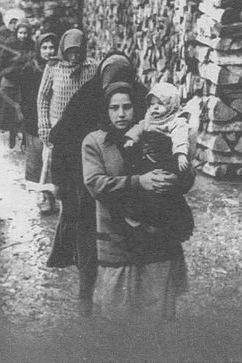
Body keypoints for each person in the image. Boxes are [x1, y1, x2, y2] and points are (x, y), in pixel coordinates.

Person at [82, 80, 194, 324]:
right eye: (114, 108)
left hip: (159, 240)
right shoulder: (95, 142)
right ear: (105, 109)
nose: (121, 114)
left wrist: (173, 179)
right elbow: (95, 184)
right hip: (118, 241)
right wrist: (138, 182)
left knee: (156, 317)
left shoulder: (156, 132)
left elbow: (186, 176)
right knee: (118, 320)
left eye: (127, 107)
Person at [46, 52, 144, 317]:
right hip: (86, 182)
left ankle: (126, 300)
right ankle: (86, 295)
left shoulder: (138, 97)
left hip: (124, 181)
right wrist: (59, 181)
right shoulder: (86, 98)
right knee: (89, 239)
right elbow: (61, 139)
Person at [121, 82, 193, 239]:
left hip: (166, 159)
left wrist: (181, 154)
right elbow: (140, 127)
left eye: (160, 104)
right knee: (146, 191)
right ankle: (140, 218)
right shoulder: (149, 118)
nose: (155, 108)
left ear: (171, 105)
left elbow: (181, 138)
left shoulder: (176, 121)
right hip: (147, 160)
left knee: (164, 190)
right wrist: (131, 138)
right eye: (152, 104)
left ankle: (170, 224)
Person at [36, 28, 97, 215]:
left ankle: (71, 200)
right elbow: (43, 98)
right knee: (50, 161)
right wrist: (44, 126)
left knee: (75, 164)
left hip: (80, 126)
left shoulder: (92, 68)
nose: (73, 57)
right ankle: (46, 197)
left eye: (77, 52)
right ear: (63, 50)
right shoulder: (53, 67)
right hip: (56, 124)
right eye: (70, 52)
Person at [18, 32, 58, 211]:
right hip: (35, 122)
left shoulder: (60, 68)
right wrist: (32, 121)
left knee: (52, 162)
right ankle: (42, 197)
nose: (48, 51)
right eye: (44, 47)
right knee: (37, 161)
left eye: (52, 47)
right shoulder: (30, 69)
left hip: (55, 121)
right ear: (38, 49)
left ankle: (52, 196)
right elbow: (25, 99)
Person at [0, 21, 35, 148]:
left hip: (26, 82)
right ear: (16, 32)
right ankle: (12, 135)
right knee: (9, 110)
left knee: (26, 110)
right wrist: (12, 73)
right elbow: (2, 63)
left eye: (25, 33)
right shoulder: (9, 43)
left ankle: (25, 137)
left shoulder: (32, 45)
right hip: (11, 81)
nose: (23, 36)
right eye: (20, 33)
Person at [0, 8, 26, 90]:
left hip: (14, 70)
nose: (13, 25)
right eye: (11, 23)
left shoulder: (22, 34)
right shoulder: (0, 32)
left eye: (16, 23)